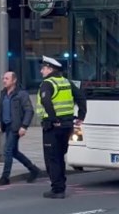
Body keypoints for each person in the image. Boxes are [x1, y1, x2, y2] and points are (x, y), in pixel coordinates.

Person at [37, 55, 87, 199]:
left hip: (52, 126)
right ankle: (60, 185)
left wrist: (53, 119)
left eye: (43, 68)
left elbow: (46, 102)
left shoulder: (47, 83)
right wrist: (81, 117)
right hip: (67, 126)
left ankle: (57, 189)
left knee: (52, 158)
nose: (41, 71)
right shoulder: (66, 82)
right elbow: (81, 97)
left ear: (50, 69)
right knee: (59, 156)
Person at [0, 71, 41, 186]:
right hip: (6, 125)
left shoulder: (21, 94)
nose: (4, 81)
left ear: (14, 80)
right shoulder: (3, 93)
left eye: (6, 79)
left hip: (15, 126)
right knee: (14, 152)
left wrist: (24, 126)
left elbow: (29, 111)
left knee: (7, 150)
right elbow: (0, 110)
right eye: (3, 79)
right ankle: (33, 169)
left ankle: (5, 177)